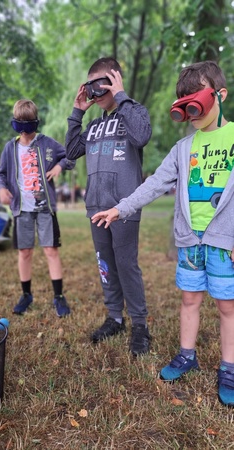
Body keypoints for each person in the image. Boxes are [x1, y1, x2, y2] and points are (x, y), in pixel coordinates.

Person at [91, 61, 234, 405]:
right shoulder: (183, 148)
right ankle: (187, 355)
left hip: (224, 243)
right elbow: (154, 183)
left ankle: (229, 367)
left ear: (220, 95)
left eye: (196, 100)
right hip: (191, 243)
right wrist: (121, 207)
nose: (191, 110)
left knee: (228, 306)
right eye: (183, 103)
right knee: (189, 299)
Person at [65, 57, 152, 356]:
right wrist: (77, 112)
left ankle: (140, 325)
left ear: (114, 80)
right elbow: (72, 150)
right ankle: (115, 317)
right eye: (91, 86)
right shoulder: (93, 125)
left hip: (124, 207)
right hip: (96, 208)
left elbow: (141, 137)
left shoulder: (134, 111)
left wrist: (122, 98)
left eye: (100, 84)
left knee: (127, 266)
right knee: (106, 267)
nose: (95, 92)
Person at [0, 99, 75, 317]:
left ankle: (59, 296)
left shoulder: (47, 143)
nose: (24, 129)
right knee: (25, 252)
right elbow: (1, 174)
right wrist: (2, 189)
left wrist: (59, 166)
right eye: (19, 123)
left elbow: (71, 155)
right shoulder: (10, 148)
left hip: (44, 208)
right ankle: (26, 295)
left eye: (27, 123)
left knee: (51, 250)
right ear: (15, 123)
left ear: (35, 122)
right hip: (22, 209)